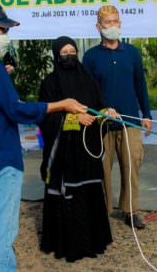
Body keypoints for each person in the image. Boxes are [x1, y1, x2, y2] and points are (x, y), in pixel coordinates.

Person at [0, 1, 86, 272]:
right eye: (2, 29)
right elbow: (16, 108)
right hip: (1, 159)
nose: (5, 35)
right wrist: (60, 104)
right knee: (0, 233)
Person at [38, 36, 118, 262]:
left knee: (90, 190)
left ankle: (93, 241)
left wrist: (107, 112)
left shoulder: (88, 79)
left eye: (72, 50)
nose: (69, 54)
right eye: (64, 52)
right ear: (56, 55)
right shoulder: (50, 83)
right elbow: (46, 117)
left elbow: (98, 108)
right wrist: (73, 119)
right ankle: (68, 245)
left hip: (87, 149)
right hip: (64, 151)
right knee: (68, 195)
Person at [83, 5, 153, 230]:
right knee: (102, 167)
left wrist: (147, 114)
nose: (113, 26)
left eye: (116, 22)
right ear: (98, 27)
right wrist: (99, 111)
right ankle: (102, 211)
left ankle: (130, 210)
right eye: (108, 23)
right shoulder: (91, 56)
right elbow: (88, 91)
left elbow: (140, 85)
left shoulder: (132, 53)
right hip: (103, 123)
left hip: (129, 121)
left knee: (131, 165)